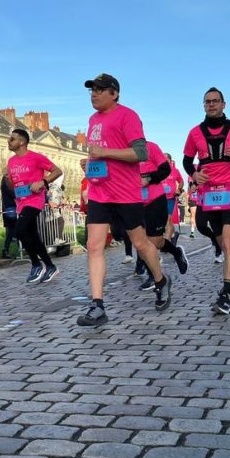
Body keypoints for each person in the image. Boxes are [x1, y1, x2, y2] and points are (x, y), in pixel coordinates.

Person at [80, 73, 171, 325]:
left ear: (115, 93)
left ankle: (161, 280)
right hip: (100, 192)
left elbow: (140, 153)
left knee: (141, 243)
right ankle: (97, 306)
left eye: (100, 89)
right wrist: (90, 164)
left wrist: (104, 152)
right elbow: (100, 155)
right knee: (95, 246)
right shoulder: (92, 119)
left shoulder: (127, 116)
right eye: (91, 90)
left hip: (125, 192)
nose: (94, 94)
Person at [183, 86, 230, 314]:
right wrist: (194, 174)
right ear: (204, 105)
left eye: (215, 101)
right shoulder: (195, 132)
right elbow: (187, 160)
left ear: (224, 104)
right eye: (207, 102)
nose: (211, 105)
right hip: (209, 193)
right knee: (220, 239)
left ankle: (225, 295)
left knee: (226, 238)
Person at [6, 128, 62, 283]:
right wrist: (7, 178)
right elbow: (12, 186)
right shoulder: (11, 161)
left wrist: (42, 182)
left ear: (22, 142)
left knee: (19, 230)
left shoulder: (35, 157)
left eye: (12, 139)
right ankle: (50, 266)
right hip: (21, 202)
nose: (8, 141)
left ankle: (36, 264)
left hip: (34, 200)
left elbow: (57, 171)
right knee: (32, 235)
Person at [137, 141, 189, 290]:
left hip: (155, 199)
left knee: (155, 242)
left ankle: (176, 252)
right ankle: (153, 275)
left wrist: (148, 178)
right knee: (140, 240)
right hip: (135, 201)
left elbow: (165, 169)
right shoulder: (122, 150)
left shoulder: (150, 147)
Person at [0, 173, 17, 259]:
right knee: (12, 230)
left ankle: (6, 250)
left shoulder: (6, 182)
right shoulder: (6, 183)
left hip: (9, 207)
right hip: (10, 208)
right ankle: (6, 250)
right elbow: (12, 193)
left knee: (12, 230)